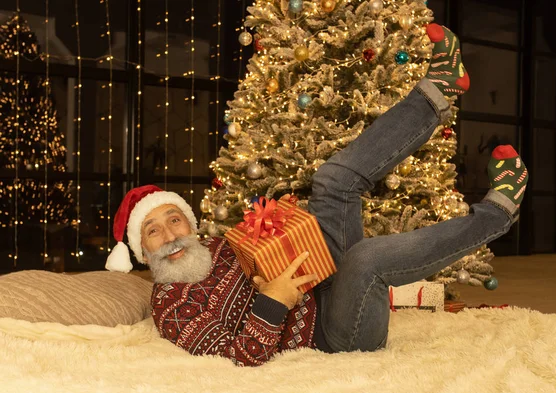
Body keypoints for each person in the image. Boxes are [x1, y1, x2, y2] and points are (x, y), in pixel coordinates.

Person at [105, 24, 529, 366]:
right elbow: (234, 360)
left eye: (173, 220)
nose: (170, 234)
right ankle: (497, 214)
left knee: (333, 180)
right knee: (367, 259)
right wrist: (273, 301)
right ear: (143, 252)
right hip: (334, 335)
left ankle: (439, 90)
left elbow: (275, 252)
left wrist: (283, 225)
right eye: (154, 231)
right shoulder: (173, 306)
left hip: (322, 281)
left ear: (190, 225)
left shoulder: (216, 247)